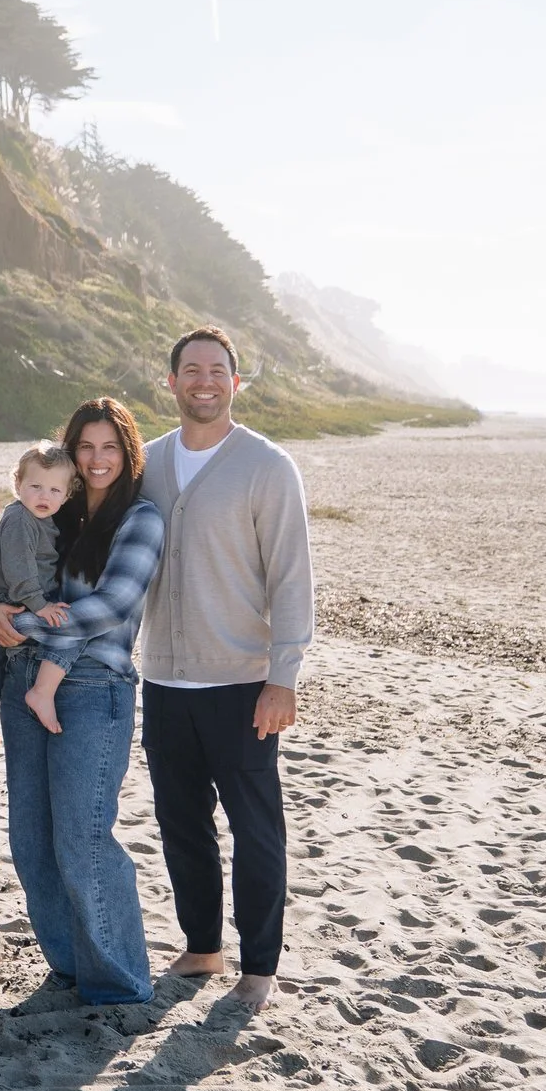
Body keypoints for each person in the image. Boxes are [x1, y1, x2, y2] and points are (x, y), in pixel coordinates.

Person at [136, 327, 315, 1013]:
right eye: (191, 370)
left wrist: (284, 674)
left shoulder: (267, 466)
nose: (203, 380)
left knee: (255, 829)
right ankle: (203, 944)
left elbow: (292, 578)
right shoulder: (147, 462)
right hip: (164, 678)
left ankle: (259, 965)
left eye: (217, 371)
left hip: (242, 682)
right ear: (172, 381)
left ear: (234, 383)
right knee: (182, 823)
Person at [0, 398, 164, 1007]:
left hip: (93, 689)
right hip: (21, 680)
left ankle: (118, 983)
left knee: (83, 838)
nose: (96, 459)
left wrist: (20, 622)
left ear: (128, 452)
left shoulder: (139, 519)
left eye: (110, 446)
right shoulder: (50, 514)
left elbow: (111, 606)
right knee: (31, 840)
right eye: (86, 446)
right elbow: (4, 586)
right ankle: (68, 965)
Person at [0, 444, 80, 735]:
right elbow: (20, 569)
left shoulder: (44, 520)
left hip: (27, 598)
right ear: (17, 484)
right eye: (36, 486)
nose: (44, 496)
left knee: (1, 654)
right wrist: (40, 604)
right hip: (14, 600)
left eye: (55, 491)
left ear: (67, 495)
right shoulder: (19, 519)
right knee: (75, 630)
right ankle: (40, 692)